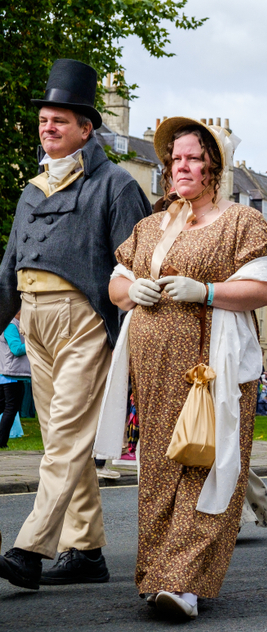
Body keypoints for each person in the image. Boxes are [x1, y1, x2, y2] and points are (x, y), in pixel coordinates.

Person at [100, 116, 267, 619]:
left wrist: (207, 292)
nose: (181, 167)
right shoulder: (150, 226)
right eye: (175, 159)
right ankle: (158, 574)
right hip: (154, 368)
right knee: (159, 468)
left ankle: (185, 582)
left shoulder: (240, 223)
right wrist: (129, 292)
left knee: (206, 464)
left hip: (213, 368)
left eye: (192, 158)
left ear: (213, 167)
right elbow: (116, 285)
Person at [0, 60, 151, 591]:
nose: (48, 128)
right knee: (61, 441)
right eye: (44, 120)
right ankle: (84, 549)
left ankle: (29, 545)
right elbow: (8, 267)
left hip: (85, 319)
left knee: (64, 436)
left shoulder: (115, 184)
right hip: (32, 321)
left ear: (87, 129)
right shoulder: (31, 189)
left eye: (60, 120)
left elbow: (136, 261)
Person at [0, 315, 31, 449]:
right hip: (10, 374)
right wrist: (34, 344)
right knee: (11, 408)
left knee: (7, 408)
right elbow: (16, 349)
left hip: (12, 373)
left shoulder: (13, 324)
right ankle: (1, 441)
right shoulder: (11, 326)